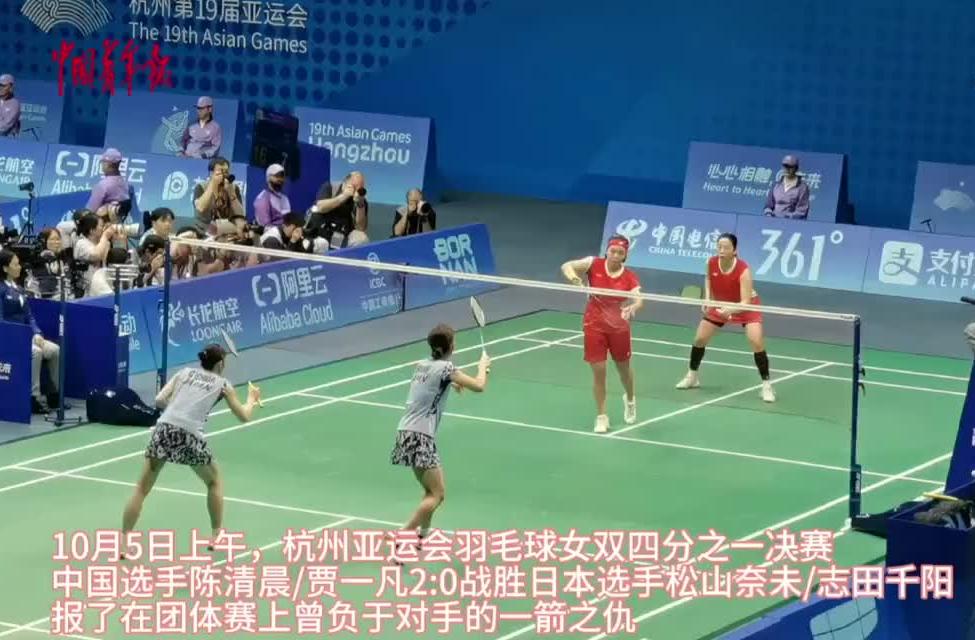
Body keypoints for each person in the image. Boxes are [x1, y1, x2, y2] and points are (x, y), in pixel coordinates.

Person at [121, 344, 261, 552]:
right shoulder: (223, 385)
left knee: (141, 488)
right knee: (214, 481)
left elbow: (159, 400)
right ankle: (216, 536)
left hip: (164, 429)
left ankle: (123, 544)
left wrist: (179, 408)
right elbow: (244, 416)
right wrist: (252, 399)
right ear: (220, 364)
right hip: (190, 434)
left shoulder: (184, 373)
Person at [390, 325, 490, 547]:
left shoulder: (421, 365)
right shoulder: (447, 368)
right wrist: (482, 366)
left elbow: (429, 385)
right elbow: (479, 385)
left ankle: (422, 537)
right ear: (451, 346)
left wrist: (451, 384)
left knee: (429, 491)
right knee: (438, 494)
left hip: (405, 432)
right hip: (421, 436)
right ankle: (404, 533)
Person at [675, 232, 775, 402]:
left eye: (726, 247)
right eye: (719, 247)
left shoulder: (743, 270)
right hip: (721, 303)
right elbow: (708, 279)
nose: (721, 250)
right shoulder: (711, 262)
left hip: (746, 307)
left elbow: (745, 301)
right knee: (700, 339)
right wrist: (708, 299)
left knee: (756, 342)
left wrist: (731, 310)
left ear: (734, 250)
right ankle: (692, 377)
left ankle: (767, 386)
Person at [560, 235, 643, 434]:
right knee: (599, 371)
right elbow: (567, 266)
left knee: (624, 370)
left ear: (625, 256)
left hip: (618, 327)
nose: (615, 255)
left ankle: (630, 399)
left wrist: (633, 307)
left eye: (620, 253)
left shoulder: (629, 276)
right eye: (612, 251)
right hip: (594, 324)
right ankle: (601, 416)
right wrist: (574, 278)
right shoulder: (593, 264)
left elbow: (639, 299)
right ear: (607, 250)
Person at [0, 250, 60, 413]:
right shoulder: (1, 290)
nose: (20, 267)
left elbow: (29, 316)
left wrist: (36, 333)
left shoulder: (19, 289)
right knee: (36, 352)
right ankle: (33, 398)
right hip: (10, 337)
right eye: (15, 264)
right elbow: (1, 321)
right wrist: (22, 336)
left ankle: (54, 395)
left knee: (54, 350)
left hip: (26, 335)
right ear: (5, 268)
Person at [764, 155, 810, 219]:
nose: (787, 169)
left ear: (796, 168)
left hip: (791, 222)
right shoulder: (776, 185)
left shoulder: (802, 187)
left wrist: (787, 217)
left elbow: (801, 211)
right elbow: (768, 206)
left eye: (790, 167)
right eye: (785, 166)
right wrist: (768, 214)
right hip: (773, 221)